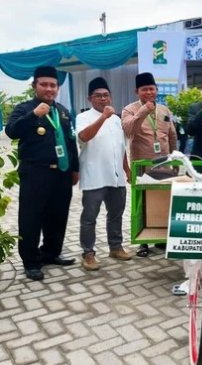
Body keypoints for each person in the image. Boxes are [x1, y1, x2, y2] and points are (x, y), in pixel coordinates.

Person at [5, 66, 78, 281]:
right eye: (44, 84)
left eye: (53, 85)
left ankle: (51, 253)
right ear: (34, 86)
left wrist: (75, 169)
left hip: (62, 174)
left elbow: (71, 141)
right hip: (35, 174)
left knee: (58, 216)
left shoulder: (63, 111)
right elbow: (11, 131)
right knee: (31, 218)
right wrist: (33, 115)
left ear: (58, 87)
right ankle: (31, 261)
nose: (49, 89)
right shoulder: (24, 108)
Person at [76, 77, 131, 271]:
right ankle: (88, 254)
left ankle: (115, 247)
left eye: (106, 95)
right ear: (90, 98)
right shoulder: (83, 117)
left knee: (116, 214)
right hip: (94, 176)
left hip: (117, 177)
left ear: (111, 96)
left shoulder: (117, 120)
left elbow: (122, 147)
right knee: (90, 217)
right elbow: (83, 137)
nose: (103, 99)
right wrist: (103, 118)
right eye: (98, 96)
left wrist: (127, 169)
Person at [122, 72, 178, 258]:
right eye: (144, 89)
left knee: (163, 202)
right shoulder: (129, 110)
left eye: (151, 89)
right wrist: (144, 110)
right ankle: (142, 241)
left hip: (164, 165)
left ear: (156, 90)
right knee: (142, 203)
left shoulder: (164, 110)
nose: (148, 92)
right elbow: (129, 129)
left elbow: (171, 135)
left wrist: (175, 159)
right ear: (137, 91)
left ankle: (161, 238)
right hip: (142, 166)